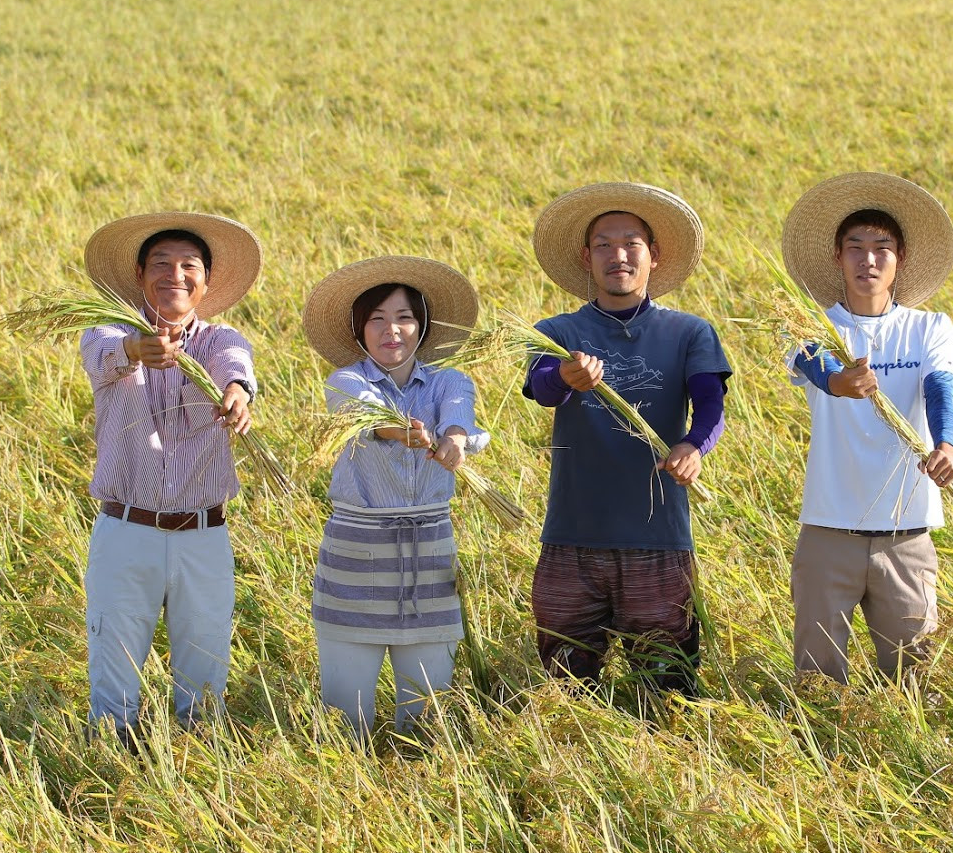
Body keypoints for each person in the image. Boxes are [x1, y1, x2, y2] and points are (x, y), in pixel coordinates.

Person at [523, 183, 732, 697]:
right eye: (603, 245)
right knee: (565, 688)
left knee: (668, 688)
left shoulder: (690, 333)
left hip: (657, 540)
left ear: (653, 256)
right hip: (572, 539)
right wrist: (567, 379)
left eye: (631, 243)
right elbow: (541, 387)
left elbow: (710, 405)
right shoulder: (557, 332)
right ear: (586, 257)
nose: (618, 256)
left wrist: (693, 446)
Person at [78, 212, 262, 746]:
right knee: (113, 677)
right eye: (161, 264)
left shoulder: (219, 339)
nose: (174, 276)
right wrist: (138, 351)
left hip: (204, 536)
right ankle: (107, 777)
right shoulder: (108, 329)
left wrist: (237, 391)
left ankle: (198, 781)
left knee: (205, 678)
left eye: (189, 266)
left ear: (205, 281)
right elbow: (102, 356)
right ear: (139, 274)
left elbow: (237, 362)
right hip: (126, 532)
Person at [781, 172, 953, 684]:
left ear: (899, 260)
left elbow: (940, 389)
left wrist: (947, 444)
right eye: (856, 248)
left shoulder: (930, 327)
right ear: (838, 257)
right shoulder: (808, 325)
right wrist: (840, 382)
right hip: (827, 527)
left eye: (882, 249)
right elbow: (813, 369)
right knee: (816, 679)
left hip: (906, 531)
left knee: (915, 680)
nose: (868, 260)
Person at [301, 256, 486, 740]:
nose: (392, 331)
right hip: (356, 553)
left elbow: (459, 413)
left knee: (427, 717)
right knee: (345, 720)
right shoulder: (345, 380)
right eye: (377, 320)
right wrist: (401, 432)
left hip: (429, 555)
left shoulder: (449, 380)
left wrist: (456, 440)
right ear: (360, 331)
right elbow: (365, 417)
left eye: (404, 318)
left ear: (421, 327)